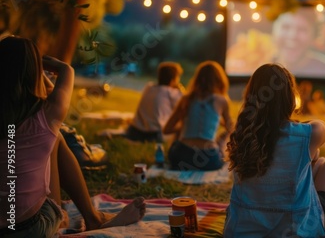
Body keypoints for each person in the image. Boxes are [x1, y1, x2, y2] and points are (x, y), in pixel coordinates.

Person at [0, 36, 146, 237]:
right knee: (56, 137)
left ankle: (91, 217)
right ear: (35, 71)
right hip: (31, 229)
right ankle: (86, 218)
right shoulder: (47, 115)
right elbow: (65, 71)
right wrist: (38, 63)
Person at [224, 64, 325, 237]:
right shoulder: (309, 134)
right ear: (290, 98)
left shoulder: (242, 134)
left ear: (249, 96)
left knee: (315, 162)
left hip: (242, 231)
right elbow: (319, 126)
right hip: (296, 232)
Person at [163, 61, 233, 171]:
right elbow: (231, 128)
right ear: (220, 80)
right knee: (221, 153)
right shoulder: (221, 100)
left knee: (176, 144)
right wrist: (221, 138)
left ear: (197, 79)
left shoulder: (186, 99)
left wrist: (184, 126)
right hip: (208, 159)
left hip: (182, 155)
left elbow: (166, 130)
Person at [125, 62, 184, 143]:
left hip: (133, 131)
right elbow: (185, 107)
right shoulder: (173, 93)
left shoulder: (149, 87)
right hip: (154, 136)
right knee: (183, 126)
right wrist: (180, 90)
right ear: (173, 80)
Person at [272, 11, 325, 79]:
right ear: (274, 31)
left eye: (302, 29)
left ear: (313, 36)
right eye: (286, 27)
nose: (292, 36)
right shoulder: (264, 62)